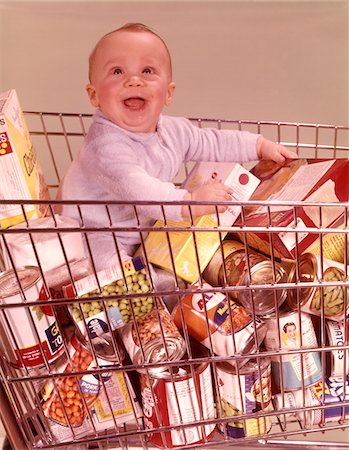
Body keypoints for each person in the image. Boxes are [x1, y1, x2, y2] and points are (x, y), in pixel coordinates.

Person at [57, 22, 297, 271]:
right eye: (117, 71)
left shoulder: (173, 130)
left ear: (168, 94)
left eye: (148, 70)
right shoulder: (104, 146)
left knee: (179, 262)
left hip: (145, 225)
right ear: (94, 95)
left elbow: (211, 142)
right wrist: (189, 202)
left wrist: (258, 145)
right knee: (117, 276)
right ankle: (147, 287)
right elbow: (138, 188)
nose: (134, 80)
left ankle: (164, 284)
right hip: (94, 231)